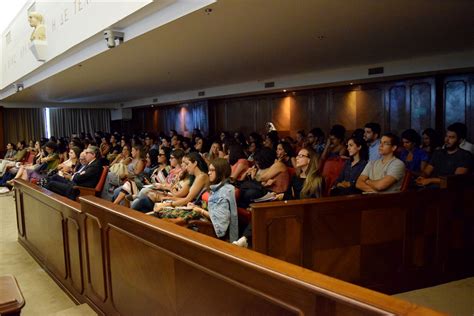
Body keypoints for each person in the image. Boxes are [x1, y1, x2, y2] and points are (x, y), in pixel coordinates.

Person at [188, 158, 239, 242]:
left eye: (212, 170)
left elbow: (220, 226)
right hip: (208, 225)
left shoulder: (224, 191)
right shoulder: (219, 187)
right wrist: (196, 207)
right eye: (209, 170)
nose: (209, 173)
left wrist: (200, 211)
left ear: (220, 172)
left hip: (214, 233)